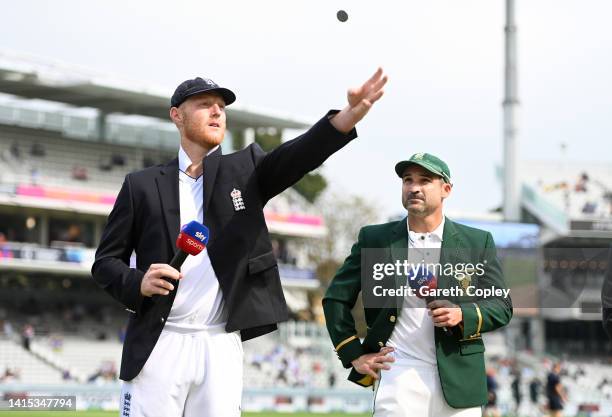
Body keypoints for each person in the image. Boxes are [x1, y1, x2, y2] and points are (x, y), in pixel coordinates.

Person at [91, 69, 387, 417]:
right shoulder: (140, 185)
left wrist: (348, 116)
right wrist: (138, 281)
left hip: (220, 342)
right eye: (205, 104)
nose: (217, 111)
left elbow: (299, 155)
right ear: (177, 115)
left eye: (222, 106)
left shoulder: (245, 169)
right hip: (160, 340)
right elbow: (105, 262)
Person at [323, 153, 513, 416]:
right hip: (397, 372)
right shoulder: (374, 239)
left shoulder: (476, 241)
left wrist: (462, 314)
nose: (413, 187)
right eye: (407, 180)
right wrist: (353, 353)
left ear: (446, 189)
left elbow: (501, 306)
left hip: (460, 376)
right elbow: (335, 299)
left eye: (425, 181)